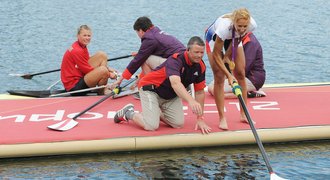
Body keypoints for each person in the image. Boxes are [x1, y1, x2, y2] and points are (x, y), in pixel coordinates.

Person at [113, 36, 211, 134]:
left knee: (178, 124)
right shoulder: (176, 60)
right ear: (188, 50)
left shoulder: (201, 66)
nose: (199, 56)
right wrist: (191, 101)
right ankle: (128, 112)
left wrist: (200, 119)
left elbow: (200, 92)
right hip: (150, 89)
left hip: (170, 95)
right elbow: (175, 83)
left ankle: (154, 112)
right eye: (196, 52)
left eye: (202, 53)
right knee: (151, 126)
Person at [205, 8, 257, 130]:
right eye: (240, 26)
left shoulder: (251, 25)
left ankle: (244, 114)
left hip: (234, 38)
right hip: (213, 39)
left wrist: (228, 56)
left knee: (240, 74)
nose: (243, 28)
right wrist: (228, 74)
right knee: (219, 77)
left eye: (245, 26)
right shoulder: (223, 28)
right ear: (234, 22)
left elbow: (240, 36)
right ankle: (222, 117)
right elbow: (217, 54)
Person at [111, 16, 186, 90]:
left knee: (144, 60)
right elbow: (156, 50)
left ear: (140, 31)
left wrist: (120, 80)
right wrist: (141, 53)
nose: (138, 36)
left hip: (177, 65)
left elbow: (137, 61)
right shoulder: (156, 31)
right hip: (183, 62)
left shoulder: (149, 38)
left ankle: (150, 88)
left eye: (137, 33)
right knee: (145, 57)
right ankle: (142, 83)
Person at [61, 25, 117, 96]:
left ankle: (102, 86)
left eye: (89, 36)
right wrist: (109, 74)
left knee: (102, 55)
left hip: (79, 77)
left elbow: (86, 62)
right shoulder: (77, 50)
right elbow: (87, 70)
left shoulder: (81, 45)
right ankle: (101, 92)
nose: (87, 38)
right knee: (103, 71)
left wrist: (108, 69)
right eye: (84, 35)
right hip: (74, 87)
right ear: (78, 36)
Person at [207, 32, 266, 99]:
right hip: (243, 76)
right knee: (213, 85)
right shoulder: (239, 40)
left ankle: (248, 94)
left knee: (216, 90)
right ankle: (247, 91)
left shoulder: (250, 43)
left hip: (253, 79)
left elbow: (244, 68)